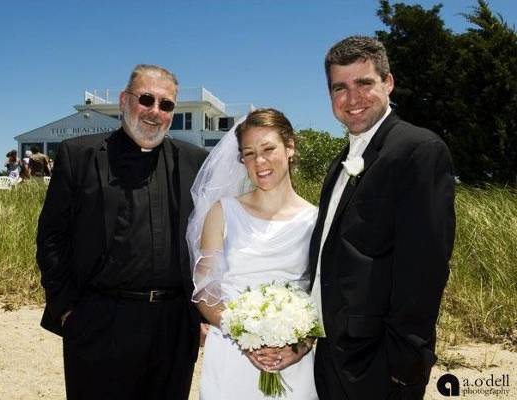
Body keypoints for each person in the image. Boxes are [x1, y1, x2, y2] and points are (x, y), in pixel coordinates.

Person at [36, 64, 207, 400]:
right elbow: (52, 238)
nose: (155, 112)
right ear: (124, 100)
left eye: (166, 105)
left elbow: (210, 240)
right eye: (146, 100)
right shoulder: (78, 155)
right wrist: (67, 308)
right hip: (99, 321)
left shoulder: (194, 161)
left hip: (172, 326)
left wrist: (203, 312)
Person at [309, 36, 455, 400]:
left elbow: (424, 269)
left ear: (388, 83)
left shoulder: (419, 150)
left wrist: (403, 367)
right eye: (339, 88)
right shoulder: (340, 161)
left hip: (379, 363)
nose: (352, 98)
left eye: (364, 83)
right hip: (332, 353)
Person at [188, 108, 319, 399]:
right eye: (248, 153)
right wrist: (243, 334)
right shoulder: (222, 212)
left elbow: (322, 295)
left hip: (291, 360)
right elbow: (205, 291)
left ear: (290, 147)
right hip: (232, 355)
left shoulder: (315, 220)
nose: (259, 161)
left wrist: (302, 344)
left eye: (268, 148)